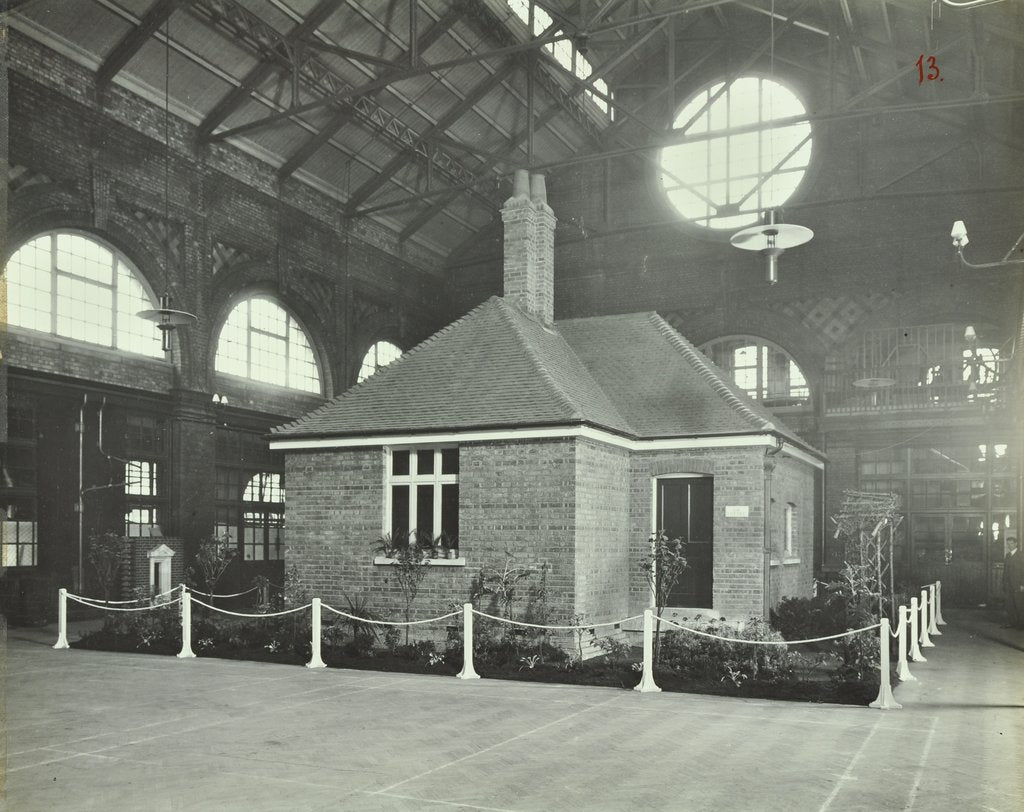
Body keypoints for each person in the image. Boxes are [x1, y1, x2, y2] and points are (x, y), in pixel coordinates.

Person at [1002, 537, 1024, 629]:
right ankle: (1012, 623)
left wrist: (1023, 584)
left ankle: (1021, 624)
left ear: (1015, 544)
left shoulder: (1021, 555)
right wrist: (1004, 583)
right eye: (1008, 544)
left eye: (1011, 543)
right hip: (1008, 585)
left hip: (1018, 585)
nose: (1009, 546)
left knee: (1019, 605)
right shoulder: (1007, 555)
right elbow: (1005, 571)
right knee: (1009, 604)